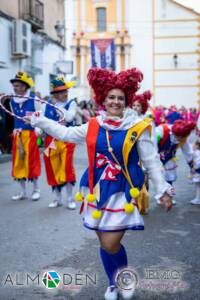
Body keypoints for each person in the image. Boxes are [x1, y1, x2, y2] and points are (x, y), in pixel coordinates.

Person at [25, 67, 173, 300]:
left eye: (120, 98)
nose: (115, 101)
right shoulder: (94, 124)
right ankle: (114, 283)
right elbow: (65, 133)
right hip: (95, 189)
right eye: (111, 97)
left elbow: (151, 161)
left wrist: (162, 190)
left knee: (110, 242)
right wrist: (40, 120)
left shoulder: (138, 127)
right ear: (103, 99)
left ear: (126, 101)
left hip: (123, 191)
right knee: (103, 243)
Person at [43, 77, 77, 209]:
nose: (65, 93)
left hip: (66, 140)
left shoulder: (71, 103)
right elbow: (44, 120)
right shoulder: (47, 105)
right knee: (52, 169)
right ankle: (57, 198)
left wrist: (58, 107)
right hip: (50, 141)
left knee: (67, 168)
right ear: (55, 94)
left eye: (65, 91)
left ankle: (70, 198)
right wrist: (38, 128)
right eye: (61, 92)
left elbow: (69, 117)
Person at [9, 72, 41, 201]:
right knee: (19, 163)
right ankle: (23, 192)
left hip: (31, 134)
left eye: (17, 86)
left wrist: (39, 130)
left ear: (24, 87)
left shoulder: (34, 99)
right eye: (14, 86)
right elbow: (13, 116)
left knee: (32, 162)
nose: (15, 88)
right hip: (18, 135)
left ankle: (36, 189)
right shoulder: (12, 100)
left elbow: (40, 116)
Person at [156, 119, 195, 205]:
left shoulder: (183, 137)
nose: (179, 139)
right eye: (178, 136)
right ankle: (159, 197)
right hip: (155, 156)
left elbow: (187, 151)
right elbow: (151, 145)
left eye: (181, 137)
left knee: (170, 177)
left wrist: (192, 166)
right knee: (156, 177)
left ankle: (168, 197)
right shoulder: (161, 130)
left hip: (169, 157)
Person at [190, 139, 200, 205]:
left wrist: (194, 168)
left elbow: (198, 163)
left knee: (198, 186)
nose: (192, 145)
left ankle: (198, 199)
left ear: (197, 145)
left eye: (194, 144)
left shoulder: (196, 153)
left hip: (198, 172)